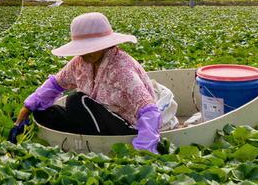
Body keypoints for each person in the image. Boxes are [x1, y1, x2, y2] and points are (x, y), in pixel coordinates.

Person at [10, 12, 177, 153]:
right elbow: (55, 84)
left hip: (126, 127)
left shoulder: (122, 68)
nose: (83, 54)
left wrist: (143, 150)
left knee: (76, 101)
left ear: (105, 45)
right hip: (97, 120)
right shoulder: (80, 62)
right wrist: (26, 110)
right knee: (43, 112)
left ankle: (91, 141)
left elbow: (149, 111)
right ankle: (84, 137)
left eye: (88, 48)